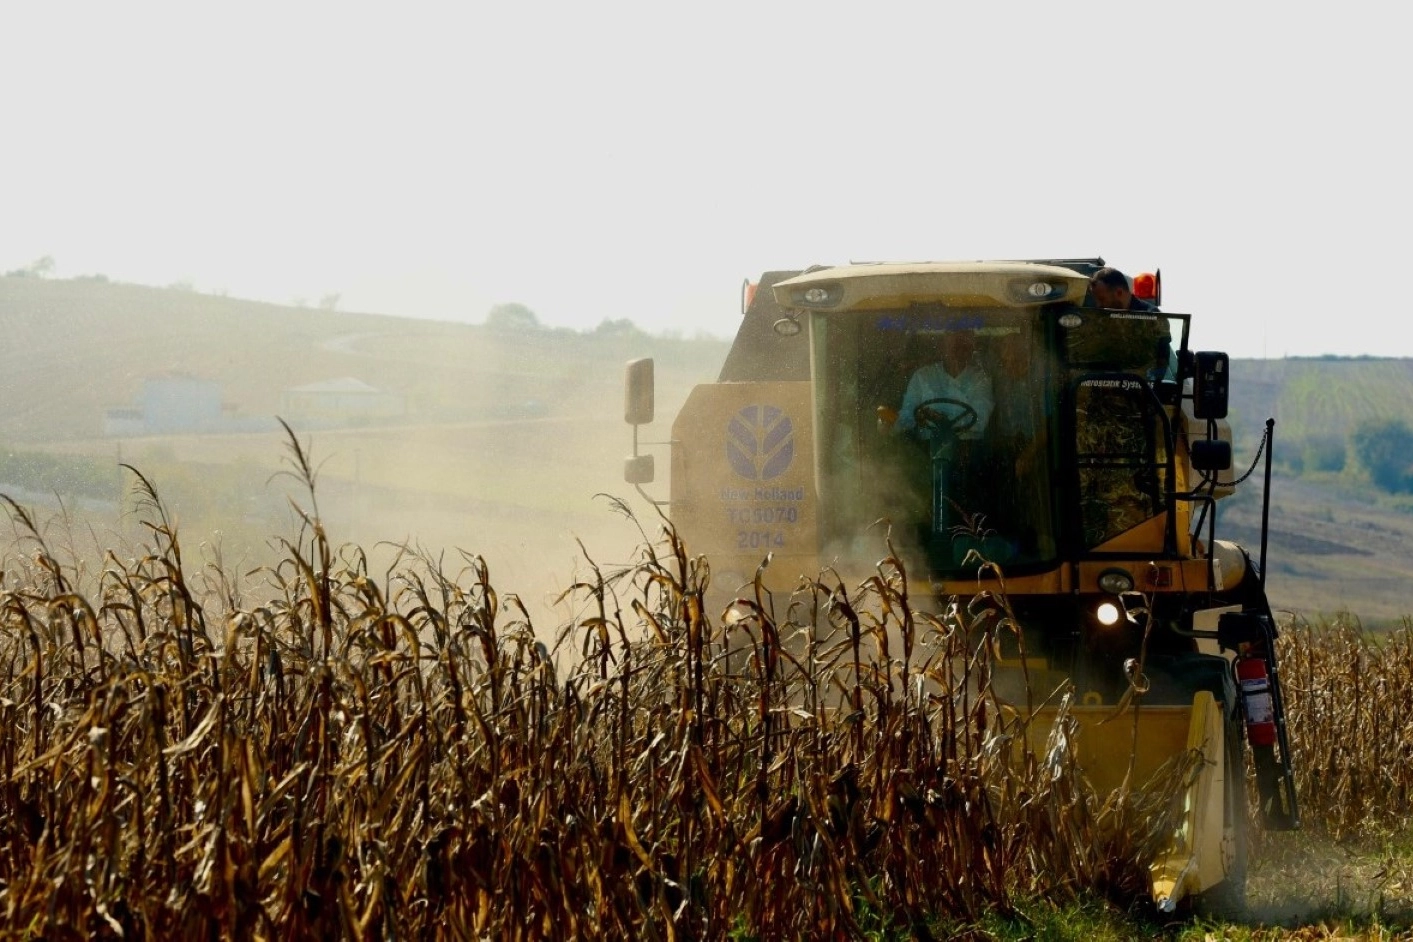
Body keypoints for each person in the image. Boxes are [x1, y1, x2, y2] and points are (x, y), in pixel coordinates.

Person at [894, 329, 994, 443]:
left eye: (965, 347)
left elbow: (980, 420)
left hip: (967, 447)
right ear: (943, 346)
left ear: (972, 348)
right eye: (955, 347)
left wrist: (941, 421)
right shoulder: (923, 376)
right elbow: (907, 415)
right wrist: (895, 429)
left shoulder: (980, 379)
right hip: (926, 448)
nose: (960, 352)